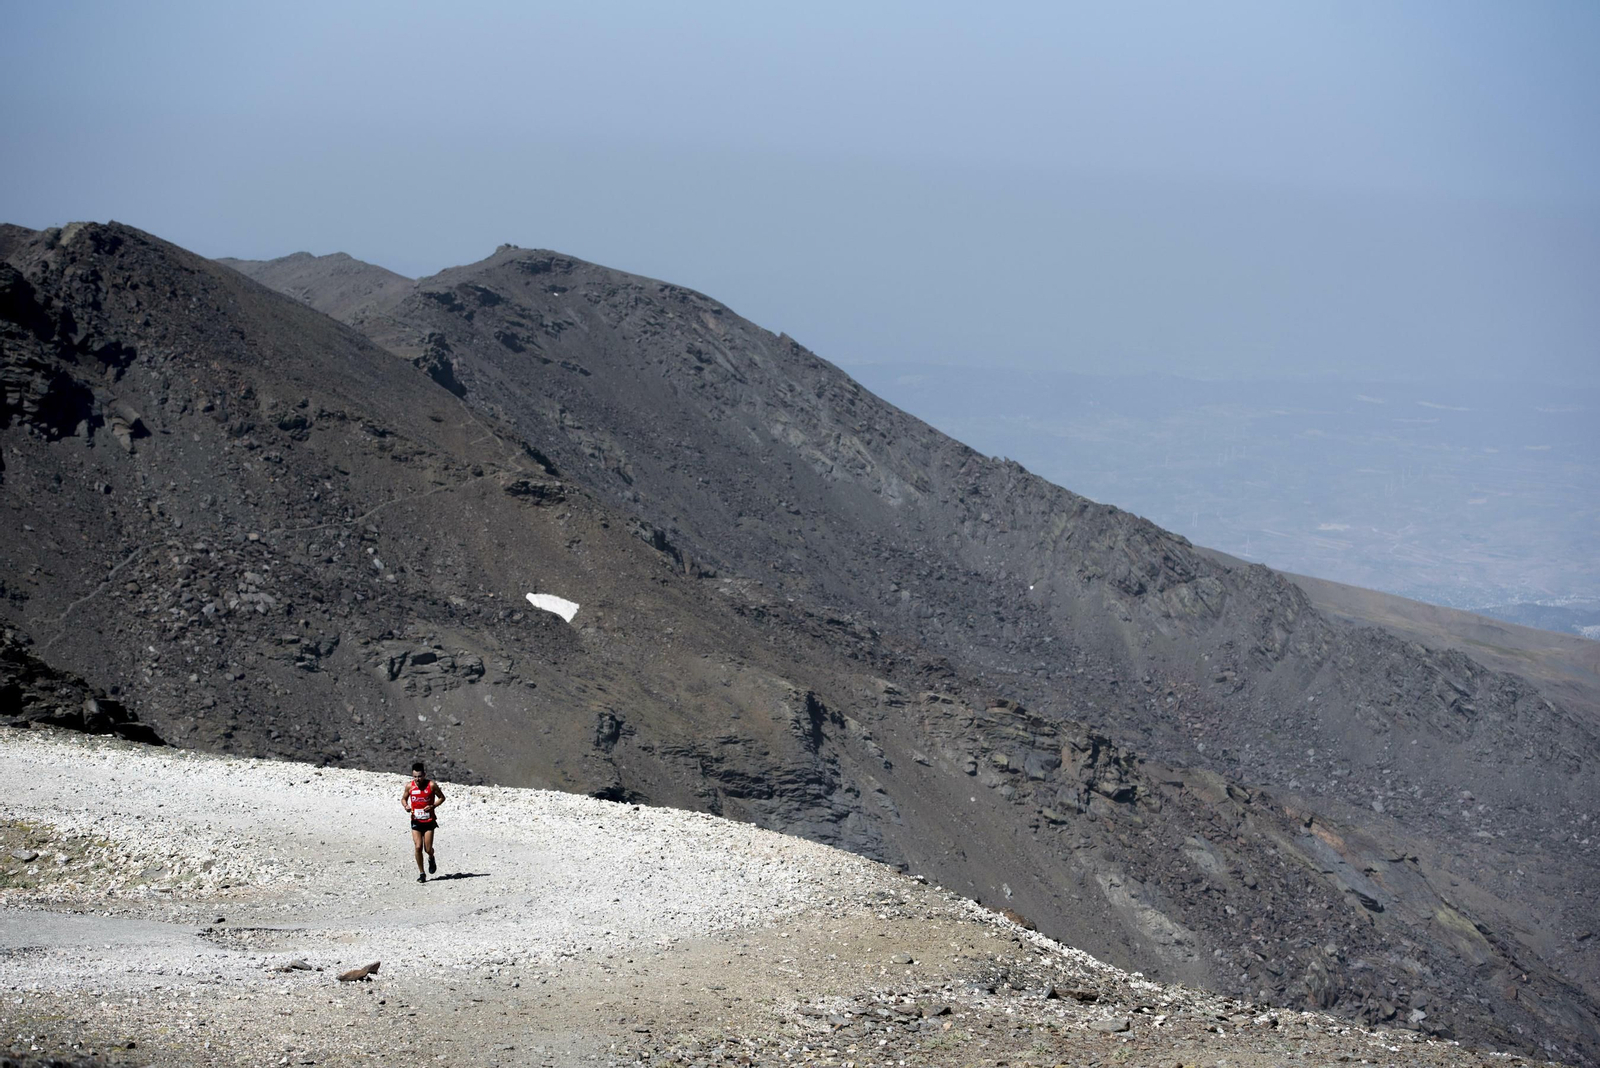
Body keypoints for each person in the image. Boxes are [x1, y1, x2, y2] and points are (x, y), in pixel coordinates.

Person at [402, 761, 445, 882]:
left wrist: (433, 806)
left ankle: (431, 857)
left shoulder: (431, 785)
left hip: (429, 821)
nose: (417, 779)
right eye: (415, 776)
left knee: (427, 848)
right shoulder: (409, 786)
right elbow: (403, 799)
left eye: (419, 776)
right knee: (417, 846)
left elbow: (442, 797)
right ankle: (422, 873)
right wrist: (406, 806)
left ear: (424, 775)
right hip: (416, 820)